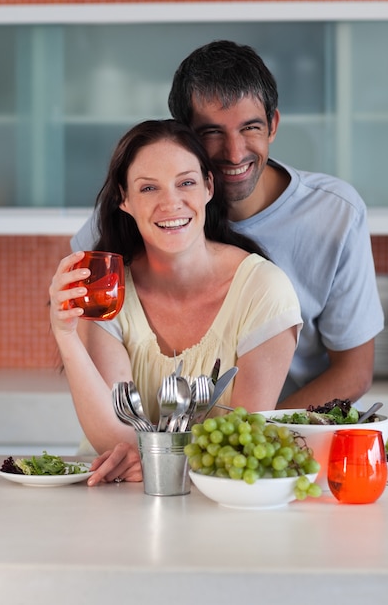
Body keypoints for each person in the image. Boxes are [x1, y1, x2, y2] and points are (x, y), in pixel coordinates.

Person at [72, 40, 384, 411]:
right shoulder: (137, 215)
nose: (234, 153)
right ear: (183, 134)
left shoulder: (335, 213)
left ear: (273, 125)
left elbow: (355, 372)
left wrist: (250, 434)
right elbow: (91, 343)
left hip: (281, 433)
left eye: (250, 127)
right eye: (212, 133)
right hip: (157, 437)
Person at [50, 119, 302, 484]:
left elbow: (243, 442)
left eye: (185, 182)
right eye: (149, 188)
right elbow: (111, 434)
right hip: (112, 495)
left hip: (216, 502)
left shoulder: (264, 290)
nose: (170, 202)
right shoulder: (108, 288)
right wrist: (65, 333)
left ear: (208, 187)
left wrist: (154, 460)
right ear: (125, 199)